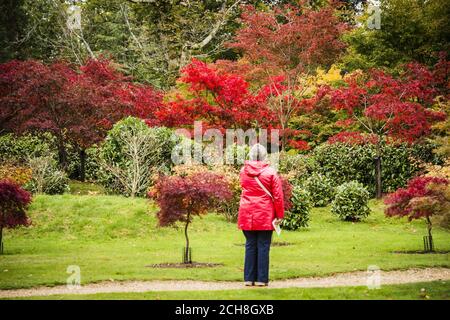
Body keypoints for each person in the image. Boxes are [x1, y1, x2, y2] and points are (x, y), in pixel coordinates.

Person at [237, 143, 284, 286]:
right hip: (265, 213)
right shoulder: (271, 172)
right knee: (263, 246)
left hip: (247, 212)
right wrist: (279, 215)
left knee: (250, 245)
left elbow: (244, 188)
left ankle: (248, 278)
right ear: (265, 156)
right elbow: (278, 196)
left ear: (250, 155)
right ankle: (261, 280)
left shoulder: (243, 171)